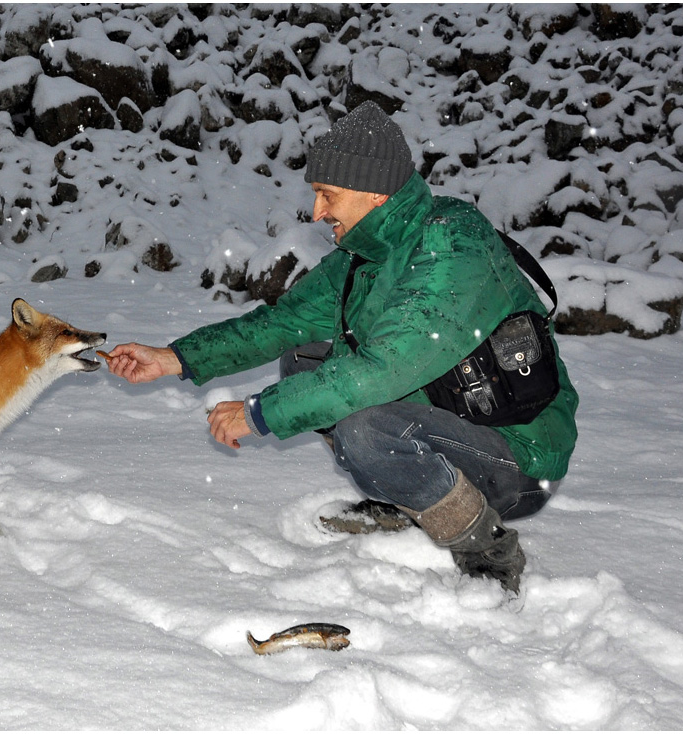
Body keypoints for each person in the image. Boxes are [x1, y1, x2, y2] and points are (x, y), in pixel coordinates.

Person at [105, 101, 578, 595]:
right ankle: (409, 494)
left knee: (366, 429)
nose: (316, 212)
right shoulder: (364, 254)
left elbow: (384, 370)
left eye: (327, 194)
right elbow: (281, 323)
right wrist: (176, 358)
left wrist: (261, 413)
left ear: (374, 192)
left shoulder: (450, 243)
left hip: (517, 452)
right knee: (305, 358)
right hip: (447, 417)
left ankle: (486, 550)